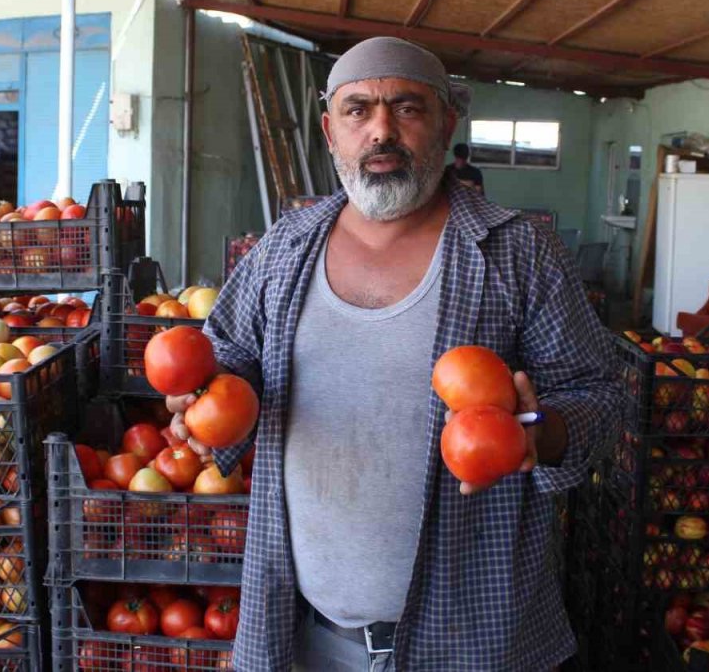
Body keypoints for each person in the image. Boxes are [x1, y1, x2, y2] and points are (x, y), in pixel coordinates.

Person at [169, 37, 619, 672]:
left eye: (406, 108)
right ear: (329, 131)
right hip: (309, 636)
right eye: (358, 111)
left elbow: (599, 394)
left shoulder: (518, 252)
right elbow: (226, 353)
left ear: (445, 124)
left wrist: (535, 434)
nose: (381, 131)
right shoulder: (283, 247)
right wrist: (198, 393)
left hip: (474, 640)